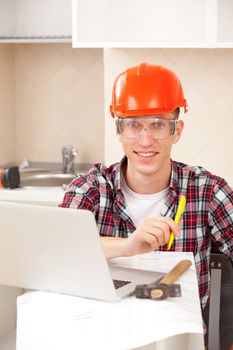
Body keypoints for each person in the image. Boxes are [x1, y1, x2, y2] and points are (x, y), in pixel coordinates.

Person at [60, 62, 233, 312]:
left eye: (158, 124)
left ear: (177, 131)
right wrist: (127, 246)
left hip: (179, 340)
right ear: (119, 131)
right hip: (104, 333)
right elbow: (58, 249)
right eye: (133, 125)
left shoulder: (208, 191)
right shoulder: (91, 189)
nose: (145, 140)